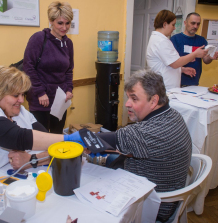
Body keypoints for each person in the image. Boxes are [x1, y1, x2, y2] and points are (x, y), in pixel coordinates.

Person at [69, 70, 192, 222]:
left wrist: (72, 139)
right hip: (166, 189)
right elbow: (137, 147)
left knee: (82, 194)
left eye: (134, 98)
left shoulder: (146, 133)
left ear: (153, 101)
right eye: (128, 97)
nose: (127, 104)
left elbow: (103, 139)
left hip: (155, 205)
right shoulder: (172, 114)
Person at [23, 1, 74, 134]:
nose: (64, 27)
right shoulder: (39, 38)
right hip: (41, 99)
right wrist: (40, 92)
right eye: (60, 23)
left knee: (57, 135)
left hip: (60, 99)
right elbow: (28, 67)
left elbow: (69, 70)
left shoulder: (68, 43)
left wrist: (69, 89)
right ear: (51, 21)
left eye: (67, 23)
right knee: (41, 137)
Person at [146, 9, 208, 90]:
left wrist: (182, 69)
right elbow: (175, 63)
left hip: (164, 86)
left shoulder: (159, 39)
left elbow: (167, 64)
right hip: (164, 88)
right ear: (165, 24)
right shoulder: (161, 41)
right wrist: (195, 54)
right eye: (173, 25)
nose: (174, 28)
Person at [170, 12, 218, 87]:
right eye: (193, 23)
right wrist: (183, 69)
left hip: (194, 82)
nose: (195, 26)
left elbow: (205, 60)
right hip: (176, 81)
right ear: (185, 23)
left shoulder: (201, 40)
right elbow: (171, 62)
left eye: (198, 24)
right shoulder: (175, 39)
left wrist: (210, 57)